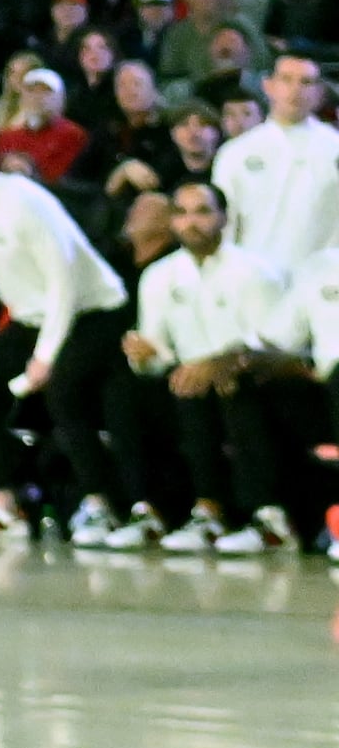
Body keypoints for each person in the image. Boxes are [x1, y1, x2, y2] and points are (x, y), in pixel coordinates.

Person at [0, 131, 138, 544]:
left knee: (62, 389)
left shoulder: (23, 199)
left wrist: (44, 357)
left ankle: (101, 506)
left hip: (94, 311)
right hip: (29, 319)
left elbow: (64, 281)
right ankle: (5, 506)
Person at [121, 179, 298, 553]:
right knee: (137, 392)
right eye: (182, 213)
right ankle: (182, 511)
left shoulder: (255, 272)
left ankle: (269, 517)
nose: (192, 222)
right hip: (191, 380)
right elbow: (160, 352)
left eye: (202, 212)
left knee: (230, 387)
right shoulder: (159, 276)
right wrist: (145, 357)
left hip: (258, 380)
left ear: (223, 218)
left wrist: (218, 363)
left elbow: (276, 346)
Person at [217, 52, 339, 269]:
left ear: (320, 92)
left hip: (320, 282)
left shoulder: (334, 148)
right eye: (286, 79)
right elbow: (225, 225)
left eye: (306, 82)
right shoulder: (236, 152)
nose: (296, 90)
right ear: (268, 85)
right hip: (252, 279)